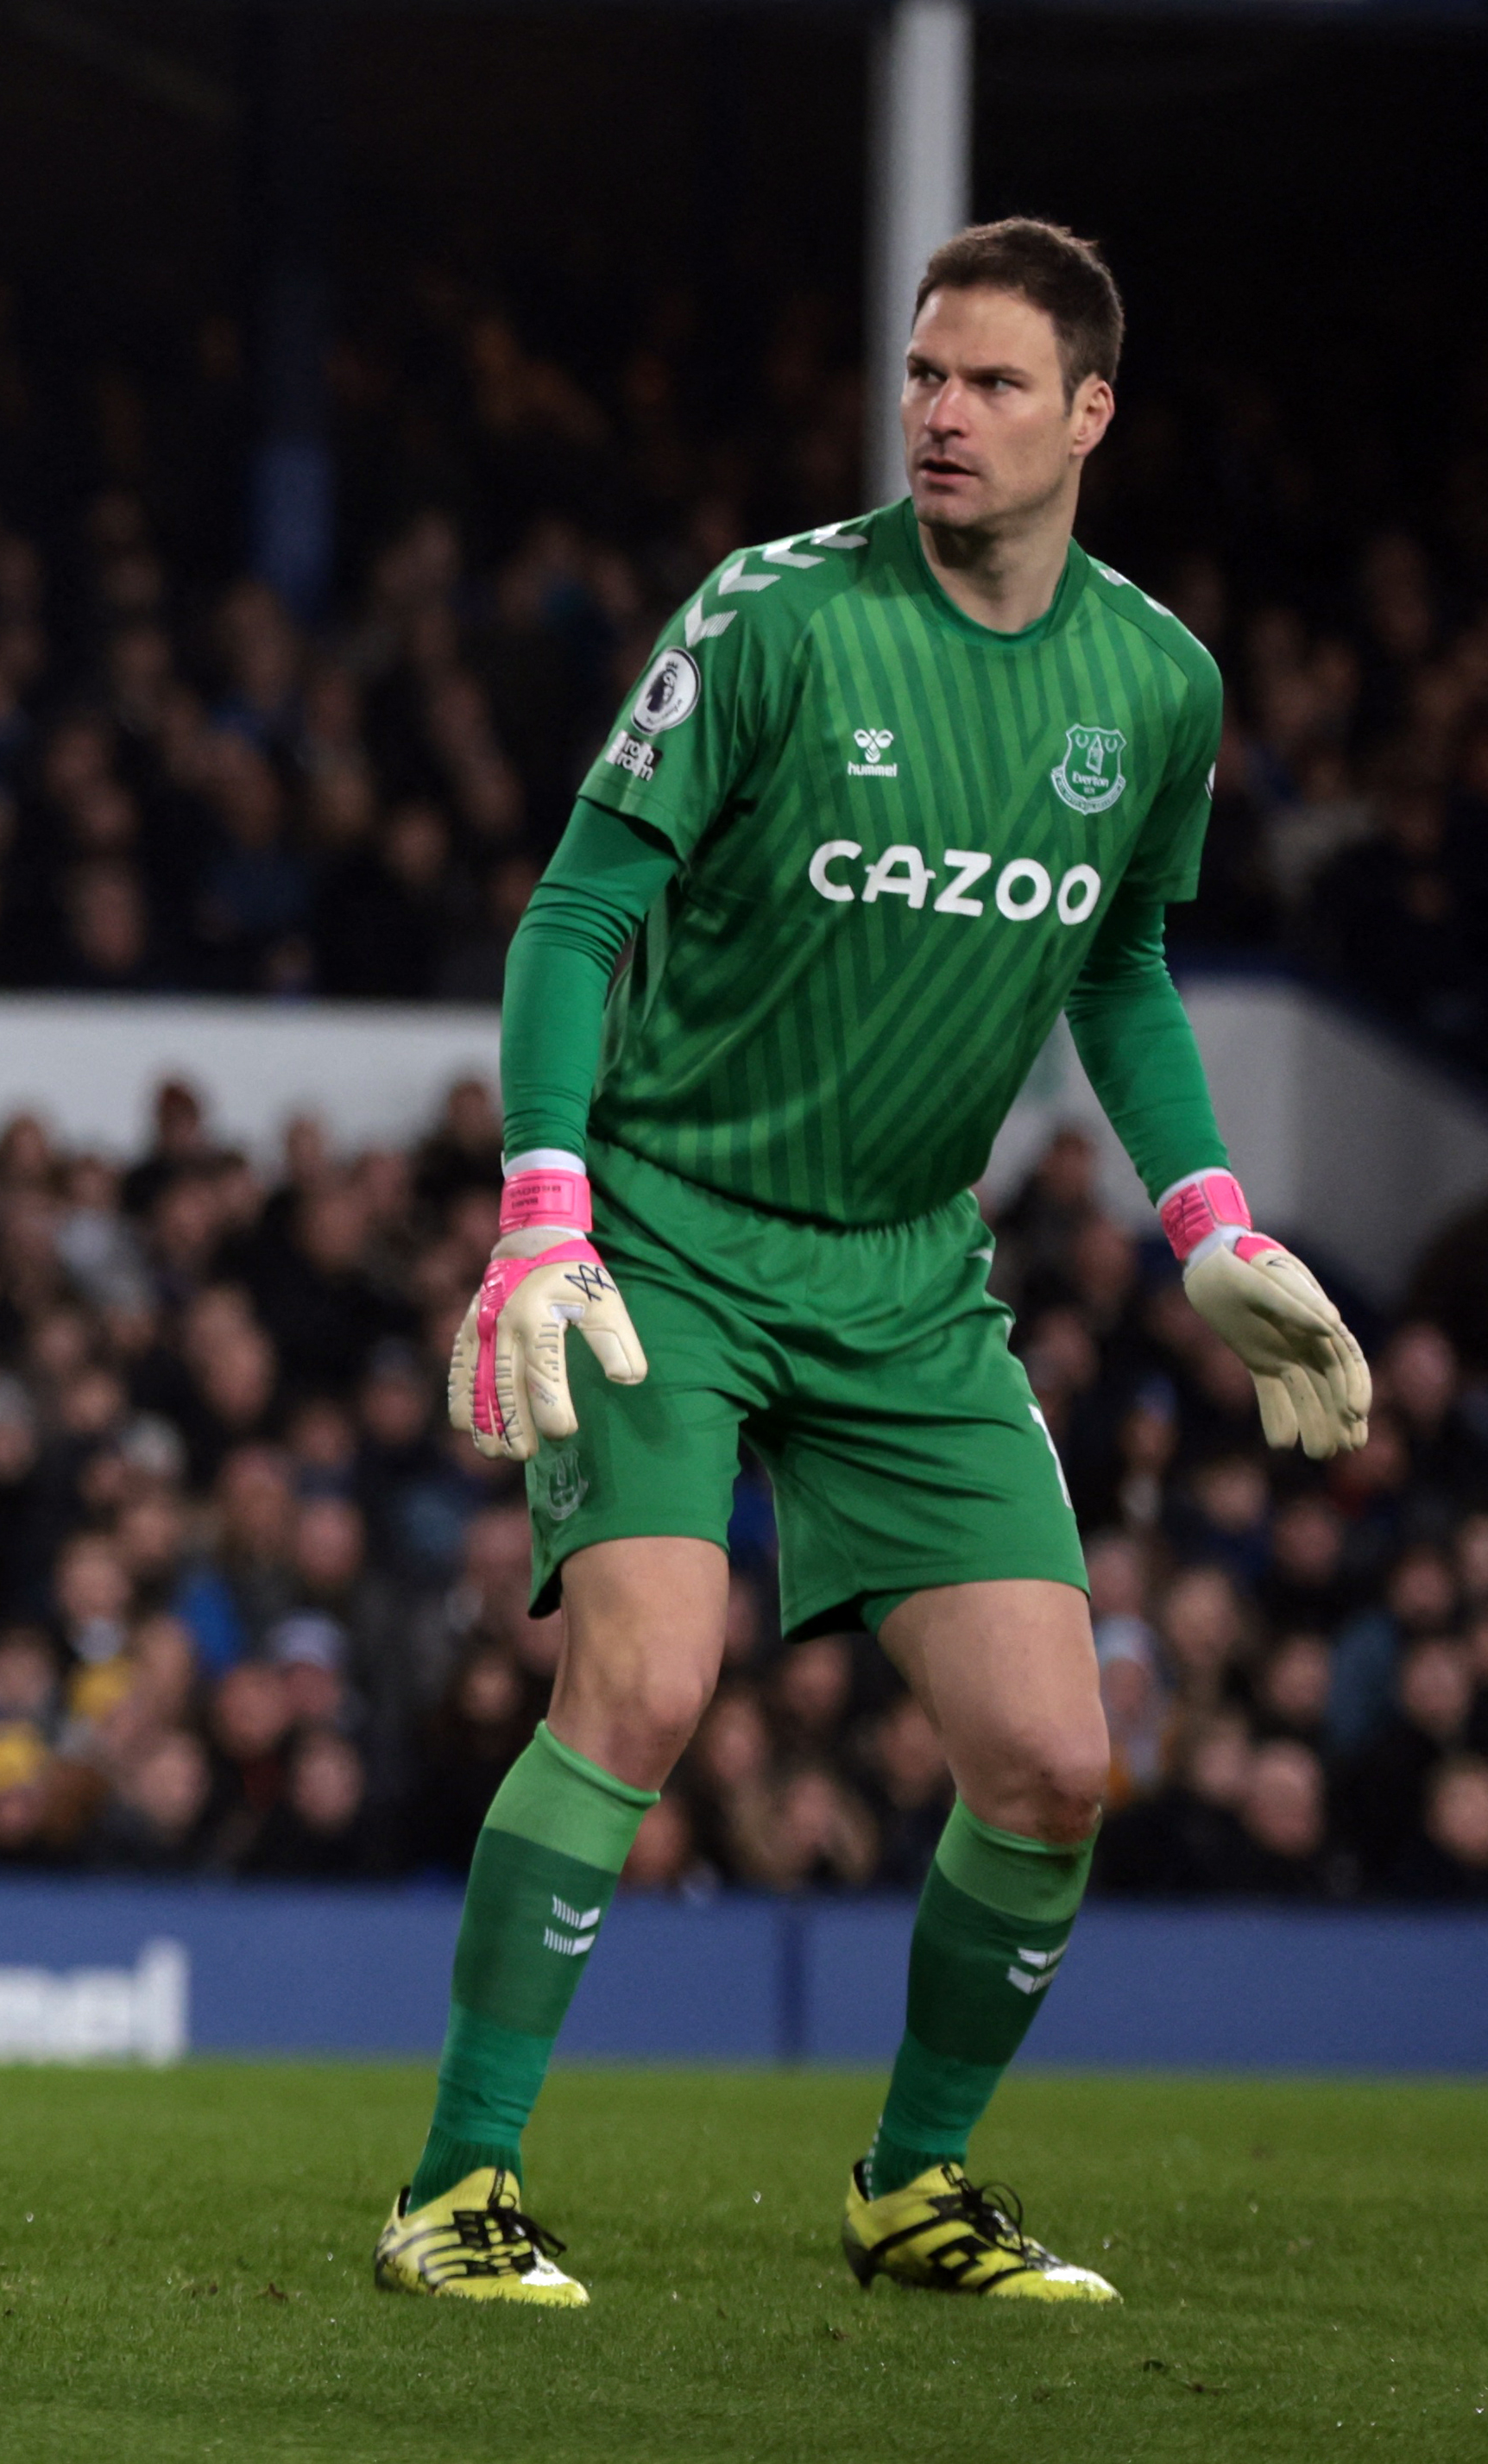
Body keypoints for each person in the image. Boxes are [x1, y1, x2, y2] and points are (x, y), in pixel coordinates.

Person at [378, 219, 1373, 2309]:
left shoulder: (1157, 683)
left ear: (1089, 414)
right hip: (671, 1234)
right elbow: (576, 913)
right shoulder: (775, 614)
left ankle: (913, 2184)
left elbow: (1124, 965)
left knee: (1053, 1761)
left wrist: (1213, 1222)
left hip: (914, 1279)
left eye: (994, 382)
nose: (939, 409)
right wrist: (543, 1197)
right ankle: (456, 2185)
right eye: (925, 373)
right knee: (645, 1673)